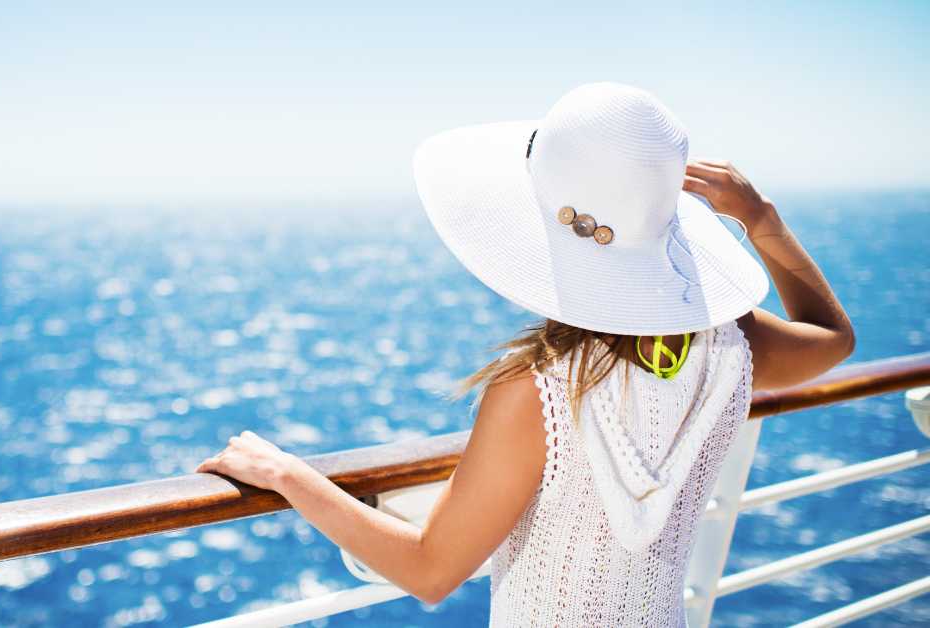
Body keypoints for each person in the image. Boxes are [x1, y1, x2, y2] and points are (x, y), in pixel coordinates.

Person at [195, 83, 854, 626]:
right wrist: (761, 217)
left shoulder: (538, 389)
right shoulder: (730, 349)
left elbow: (430, 570)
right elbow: (833, 339)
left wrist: (289, 475)